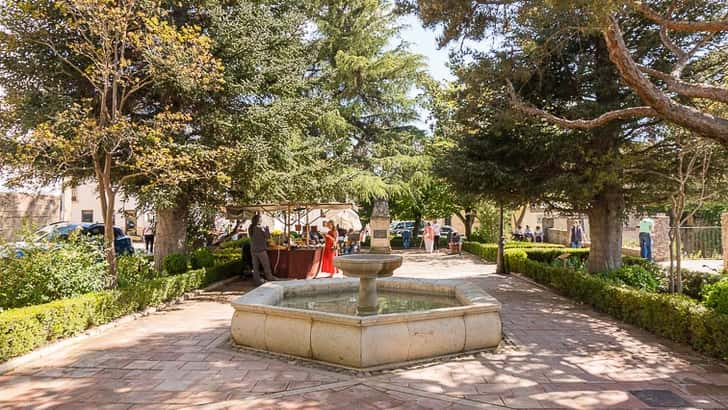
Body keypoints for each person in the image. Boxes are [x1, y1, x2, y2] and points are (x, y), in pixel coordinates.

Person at [248, 214, 279, 286]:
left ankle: (257, 281)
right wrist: (267, 229)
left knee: (255, 266)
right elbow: (268, 236)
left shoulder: (250, 228)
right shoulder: (260, 228)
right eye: (260, 219)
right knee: (266, 265)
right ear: (258, 220)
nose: (261, 220)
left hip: (253, 249)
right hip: (261, 249)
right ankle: (270, 277)